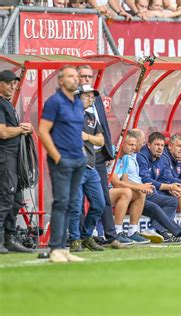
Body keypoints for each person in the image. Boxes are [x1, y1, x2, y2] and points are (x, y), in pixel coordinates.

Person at [38, 66, 87, 263]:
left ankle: (64, 248)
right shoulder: (54, 102)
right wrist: (57, 157)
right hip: (62, 160)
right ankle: (56, 248)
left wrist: (82, 153)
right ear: (60, 80)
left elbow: (76, 131)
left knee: (73, 204)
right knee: (61, 203)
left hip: (78, 160)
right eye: (70, 76)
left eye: (76, 77)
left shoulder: (77, 103)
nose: (75, 80)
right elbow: (42, 131)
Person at [77, 65, 126, 249]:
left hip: (97, 155)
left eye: (89, 76)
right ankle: (82, 237)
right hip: (79, 158)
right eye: (83, 76)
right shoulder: (71, 101)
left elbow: (102, 126)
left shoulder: (95, 99)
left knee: (102, 197)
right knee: (78, 200)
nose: (86, 79)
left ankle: (111, 236)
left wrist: (108, 151)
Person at [137, 132, 181, 243]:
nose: (160, 148)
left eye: (162, 145)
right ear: (148, 145)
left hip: (154, 192)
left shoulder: (161, 158)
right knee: (179, 193)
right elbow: (147, 180)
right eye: (157, 145)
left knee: (174, 199)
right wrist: (170, 187)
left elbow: (165, 178)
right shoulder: (142, 156)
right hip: (142, 193)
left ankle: (158, 229)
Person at [68, 85, 107, 253]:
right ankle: (75, 240)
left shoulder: (91, 117)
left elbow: (101, 141)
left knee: (99, 203)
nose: (91, 99)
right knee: (76, 205)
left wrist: (87, 137)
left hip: (90, 167)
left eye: (93, 96)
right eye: (87, 96)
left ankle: (86, 236)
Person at [0, 70, 34, 254]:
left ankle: (10, 239)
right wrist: (21, 129)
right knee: (5, 199)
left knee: (15, 200)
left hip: (14, 159)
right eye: (8, 83)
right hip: (5, 159)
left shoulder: (9, 105)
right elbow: (3, 132)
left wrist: (25, 129)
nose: (12, 86)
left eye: (14, 83)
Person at [109, 131, 152, 244]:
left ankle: (132, 232)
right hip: (104, 191)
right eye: (130, 145)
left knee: (140, 193)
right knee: (127, 192)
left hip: (115, 191)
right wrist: (140, 186)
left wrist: (140, 188)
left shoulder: (126, 158)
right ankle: (116, 232)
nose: (134, 148)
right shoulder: (112, 153)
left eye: (135, 145)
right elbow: (116, 183)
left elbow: (125, 181)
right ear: (122, 143)